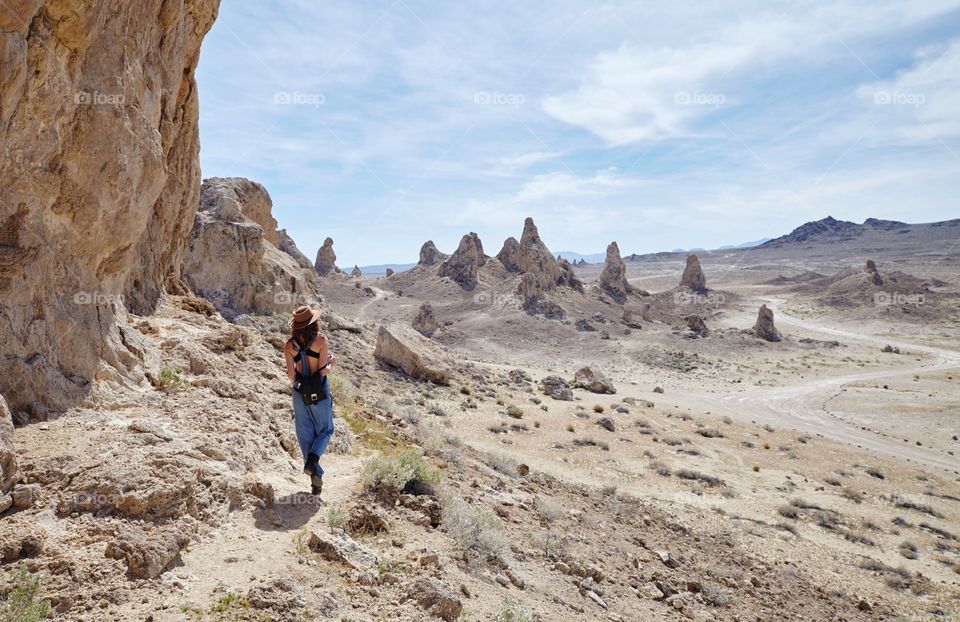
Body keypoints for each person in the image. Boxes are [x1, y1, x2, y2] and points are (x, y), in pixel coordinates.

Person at [284, 306, 336, 495]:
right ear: (313, 323)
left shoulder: (289, 345)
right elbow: (323, 370)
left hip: (300, 393)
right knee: (325, 430)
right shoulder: (321, 340)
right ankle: (313, 462)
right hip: (319, 390)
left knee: (305, 434)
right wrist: (331, 362)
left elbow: (291, 377)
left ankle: (315, 478)